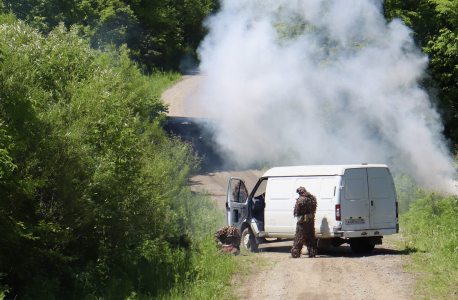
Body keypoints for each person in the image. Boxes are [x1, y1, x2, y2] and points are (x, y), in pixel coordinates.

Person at [291, 187, 317, 258]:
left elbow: (296, 211)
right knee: (311, 237)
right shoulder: (312, 198)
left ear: (300, 192)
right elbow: (314, 209)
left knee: (299, 238)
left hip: (302, 222)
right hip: (311, 221)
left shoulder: (301, 199)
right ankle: (312, 252)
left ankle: (295, 253)